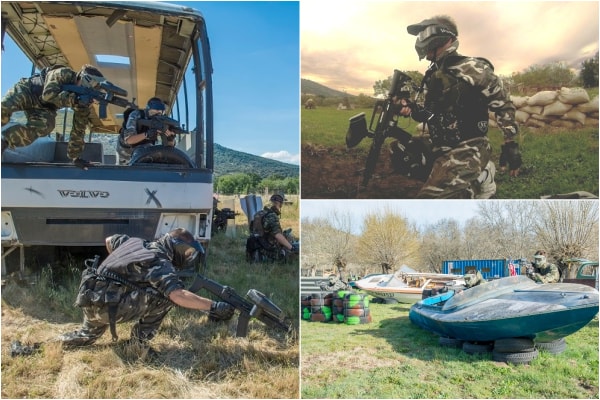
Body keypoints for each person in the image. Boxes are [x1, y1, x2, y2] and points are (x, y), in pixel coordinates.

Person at [396, 15, 521, 198]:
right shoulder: (434, 75)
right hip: (442, 144)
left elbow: (503, 104)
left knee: (431, 199)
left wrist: (511, 145)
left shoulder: (473, 67)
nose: (421, 39)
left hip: (470, 145)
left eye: (425, 34)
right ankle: (479, 177)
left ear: (442, 36)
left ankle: (478, 176)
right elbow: (428, 113)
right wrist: (411, 108)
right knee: (400, 152)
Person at [58, 228, 235, 348]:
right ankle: (138, 343)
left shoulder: (135, 243)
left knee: (84, 338)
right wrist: (213, 306)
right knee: (164, 298)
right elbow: (178, 295)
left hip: (92, 300)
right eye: (188, 253)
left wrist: (123, 272)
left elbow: (109, 240)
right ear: (176, 247)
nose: (188, 257)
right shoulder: (159, 260)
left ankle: (50, 343)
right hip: (109, 306)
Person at [2, 64, 106, 169]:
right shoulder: (64, 73)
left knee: (44, 126)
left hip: (44, 108)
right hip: (28, 91)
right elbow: (48, 95)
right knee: (4, 109)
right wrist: (75, 100)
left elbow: (78, 130)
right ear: (83, 79)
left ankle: (4, 142)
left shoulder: (82, 104)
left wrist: (75, 158)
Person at [116, 97, 176, 165]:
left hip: (143, 149)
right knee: (122, 172)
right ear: (147, 109)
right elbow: (129, 140)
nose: (155, 115)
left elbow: (169, 147)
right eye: (153, 112)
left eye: (159, 113)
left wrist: (170, 138)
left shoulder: (162, 121)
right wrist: (147, 134)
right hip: (125, 150)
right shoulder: (136, 115)